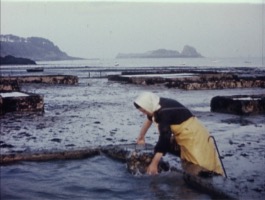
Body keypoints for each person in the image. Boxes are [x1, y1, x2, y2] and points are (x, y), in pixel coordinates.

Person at [134, 92, 225, 176]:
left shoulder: (164, 113)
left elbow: (164, 139)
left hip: (193, 135)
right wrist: (141, 136)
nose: (143, 114)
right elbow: (149, 119)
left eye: (144, 111)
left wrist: (154, 163)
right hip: (184, 134)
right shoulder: (155, 104)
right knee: (188, 160)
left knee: (201, 163)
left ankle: (215, 181)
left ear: (148, 105)